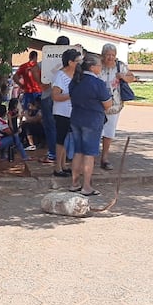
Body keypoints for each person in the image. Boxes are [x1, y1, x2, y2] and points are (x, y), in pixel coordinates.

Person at [68, 53, 113, 196]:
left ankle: (74, 183)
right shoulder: (98, 84)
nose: (101, 68)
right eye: (99, 65)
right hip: (92, 120)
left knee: (78, 151)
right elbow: (107, 104)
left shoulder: (75, 81)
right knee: (89, 153)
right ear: (93, 67)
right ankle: (86, 186)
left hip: (76, 118)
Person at [98, 43, 136, 171]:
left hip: (114, 105)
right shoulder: (97, 65)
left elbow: (132, 77)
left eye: (112, 55)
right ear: (103, 55)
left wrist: (123, 77)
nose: (110, 57)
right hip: (97, 105)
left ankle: (104, 158)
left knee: (109, 132)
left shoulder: (120, 66)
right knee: (95, 131)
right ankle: (91, 158)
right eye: (108, 54)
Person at [38, 36, 70, 164]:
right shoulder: (71, 58)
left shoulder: (48, 58)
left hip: (48, 95)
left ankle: (53, 154)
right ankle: (63, 155)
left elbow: (35, 69)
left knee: (51, 127)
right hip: (65, 97)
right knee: (64, 127)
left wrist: (42, 83)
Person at [51, 49, 81, 177]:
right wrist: (71, 95)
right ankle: (57, 167)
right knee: (60, 140)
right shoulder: (60, 76)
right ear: (70, 62)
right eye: (77, 61)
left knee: (66, 140)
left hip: (72, 112)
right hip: (61, 112)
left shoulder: (77, 74)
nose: (80, 63)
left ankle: (63, 165)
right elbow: (55, 96)